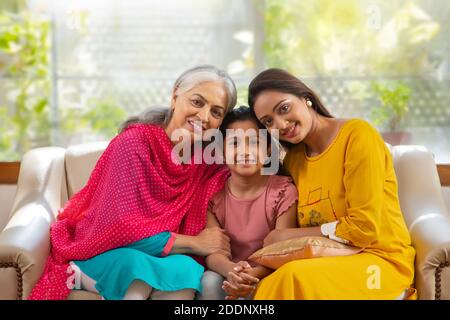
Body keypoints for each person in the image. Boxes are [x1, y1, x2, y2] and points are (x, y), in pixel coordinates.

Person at [28, 65, 237, 300]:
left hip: (157, 256)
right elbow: (121, 228)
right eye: (197, 102)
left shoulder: (204, 161)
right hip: (104, 250)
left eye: (216, 112)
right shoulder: (134, 143)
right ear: (175, 95)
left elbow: (246, 170)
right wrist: (196, 243)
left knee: (187, 269)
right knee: (134, 265)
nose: (204, 117)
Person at [245, 68, 416, 300]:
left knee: (292, 278)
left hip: (379, 264)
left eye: (284, 108)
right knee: (272, 282)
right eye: (269, 121)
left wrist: (287, 236)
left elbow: (363, 229)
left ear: (305, 98)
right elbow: (302, 245)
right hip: (328, 260)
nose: (281, 124)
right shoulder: (294, 161)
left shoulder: (357, 136)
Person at [199, 106, 298, 300]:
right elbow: (214, 252)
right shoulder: (213, 196)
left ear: (269, 149)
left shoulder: (284, 191)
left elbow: (284, 251)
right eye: (234, 143)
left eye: (255, 143)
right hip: (229, 273)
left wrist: (252, 275)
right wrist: (233, 270)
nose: (245, 151)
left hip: (268, 272)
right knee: (209, 281)